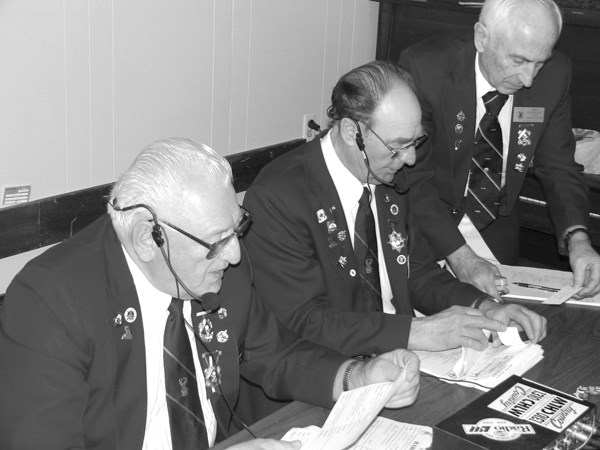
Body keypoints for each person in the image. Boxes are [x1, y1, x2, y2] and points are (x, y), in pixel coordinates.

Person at [0, 138, 421, 450]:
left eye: (237, 229)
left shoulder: (216, 268)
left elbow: (275, 354)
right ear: (149, 237)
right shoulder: (51, 301)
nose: (236, 254)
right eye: (218, 241)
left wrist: (357, 377)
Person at [239, 60, 546, 422]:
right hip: (316, 390)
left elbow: (416, 272)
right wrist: (416, 331)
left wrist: (482, 307)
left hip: (403, 371)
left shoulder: (389, 176)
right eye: (398, 146)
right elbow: (304, 321)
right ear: (352, 130)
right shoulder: (281, 195)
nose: (411, 159)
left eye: (415, 142)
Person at [398, 0, 600, 299]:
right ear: (482, 38)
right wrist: (461, 257)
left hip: (496, 224)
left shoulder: (555, 75)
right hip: (425, 220)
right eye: (518, 60)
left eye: (540, 62)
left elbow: (558, 167)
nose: (529, 78)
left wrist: (578, 239)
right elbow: (414, 176)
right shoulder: (426, 68)